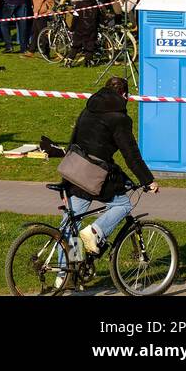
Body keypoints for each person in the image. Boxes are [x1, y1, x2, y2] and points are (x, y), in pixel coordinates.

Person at [64, 77, 159, 255]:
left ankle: (65, 274)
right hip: (93, 175)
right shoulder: (119, 119)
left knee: (71, 226)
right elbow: (131, 155)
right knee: (123, 205)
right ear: (124, 95)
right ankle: (95, 231)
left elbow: (74, 139)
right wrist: (148, 180)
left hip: (72, 168)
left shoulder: (88, 109)